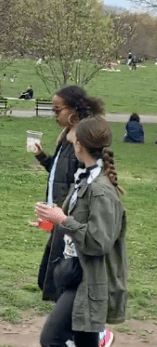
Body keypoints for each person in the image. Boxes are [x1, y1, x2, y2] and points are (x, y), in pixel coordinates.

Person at [34, 116, 126, 347]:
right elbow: (76, 224)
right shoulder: (85, 177)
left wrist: (62, 219)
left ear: (79, 144)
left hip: (88, 281)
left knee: (51, 339)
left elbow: (98, 242)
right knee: (84, 342)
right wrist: (51, 223)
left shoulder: (101, 190)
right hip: (75, 272)